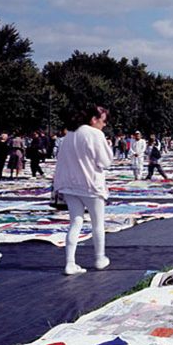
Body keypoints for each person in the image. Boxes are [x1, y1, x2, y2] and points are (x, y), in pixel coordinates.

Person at [52, 104, 113, 275]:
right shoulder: (95, 134)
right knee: (97, 222)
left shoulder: (69, 135)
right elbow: (106, 162)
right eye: (103, 121)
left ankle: (70, 262)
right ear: (94, 119)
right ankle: (100, 258)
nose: (105, 124)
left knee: (75, 223)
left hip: (70, 185)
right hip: (91, 185)